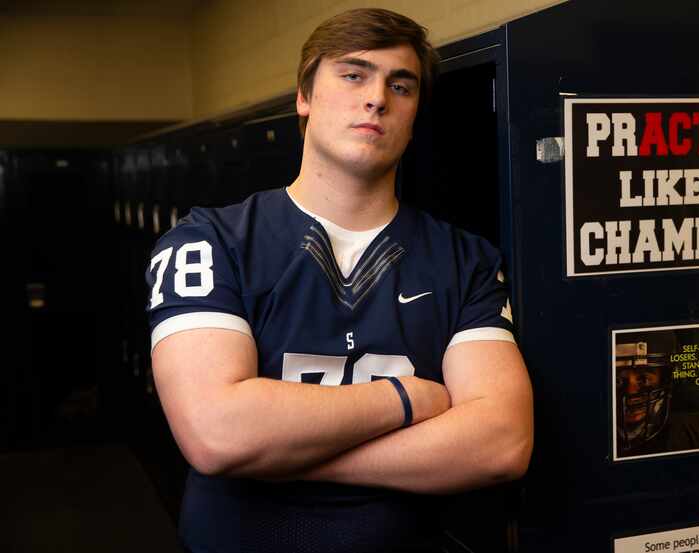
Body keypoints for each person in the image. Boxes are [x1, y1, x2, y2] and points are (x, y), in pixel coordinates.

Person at [145, 8, 534, 553]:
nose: (377, 97)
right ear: (305, 95)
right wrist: (405, 398)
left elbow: (501, 444)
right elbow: (218, 433)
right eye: (353, 75)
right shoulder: (209, 243)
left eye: (401, 85)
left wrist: (286, 456)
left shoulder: (463, 259)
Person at [615, 340, 699, 458]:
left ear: (665, 379)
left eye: (644, 379)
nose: (630, 392)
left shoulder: (697, 432)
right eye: (617, 381)